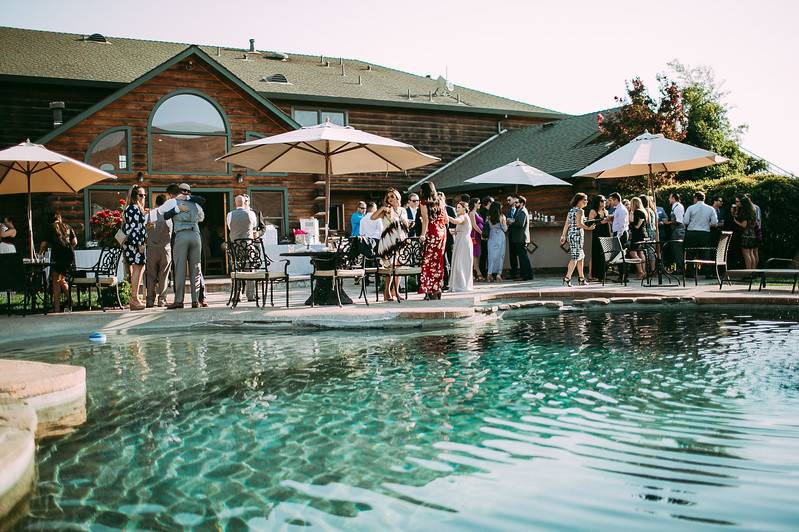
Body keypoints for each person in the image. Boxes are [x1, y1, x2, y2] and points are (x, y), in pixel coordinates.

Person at [160, 184, 209, 307]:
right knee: (196, 269)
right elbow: (201, 217)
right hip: (195, 234)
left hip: (181, 235)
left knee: (180, 268)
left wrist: (177, 210)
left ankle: (179, 301)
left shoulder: (172, 202)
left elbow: (164, 215)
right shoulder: (195, 203)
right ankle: (195, 300)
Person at [373, 188, 409, 301]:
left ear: (397, 196)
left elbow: (407, 224)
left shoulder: (403, 210)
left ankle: (396, 291)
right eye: (388, 197)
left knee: (398, 267)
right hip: (388, 242)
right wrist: (382, 209)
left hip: (400, 242)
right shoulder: (386, 210)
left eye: (392, 196)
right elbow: (372, 217)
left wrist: (406, 225)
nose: (390, 199)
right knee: (390, 268)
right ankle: (386, 292)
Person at [39, 212, 76, 313]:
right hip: (69, 255)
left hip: (59, 255)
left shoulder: (50, 227)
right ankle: (70, 302)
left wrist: (40, 253)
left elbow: (44, 243)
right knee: (61, 280)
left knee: (56, 281)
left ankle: (57, 308)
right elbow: (74, 242)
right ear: (59, 218)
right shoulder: (67, 226)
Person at [418, 183, 447, 300]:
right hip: (442, 232)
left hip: (432, 232)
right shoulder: (440, 201)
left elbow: (425, 220)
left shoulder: (423, 202)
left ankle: (429, 290)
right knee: (439, 262)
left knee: (428, 262)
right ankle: (438, 288)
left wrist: (422, 235)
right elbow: (444, 219)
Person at [227, 194, 258, 301]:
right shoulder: (251, 214)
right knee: (250, 270)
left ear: (235, 203)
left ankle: (237, 294)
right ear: (245, 202)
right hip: (248, 247)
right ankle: (251, 295)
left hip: (235, 248)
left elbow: (230, 227)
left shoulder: (230, 215)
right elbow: (254, 226)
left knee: (237, 270)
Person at [559, 193, 593, 286]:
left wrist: (563, 235)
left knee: (581, 256)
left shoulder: (571, 210)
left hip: (572, 235)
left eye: (586, 199)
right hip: (577, 236)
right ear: (578, 201)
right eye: (584, 200)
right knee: (575, 257)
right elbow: (579, 224)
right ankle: (567, 278)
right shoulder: (580, 211)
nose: (586, 201)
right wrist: (589, 228)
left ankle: (581, 279)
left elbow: (567, 223)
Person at [144, 195, 172, 308]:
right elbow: (171, 231)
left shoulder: (149, 215)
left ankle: (150, 300)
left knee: (150, 275)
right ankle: (162, 300)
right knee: (164, 275)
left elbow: (144, 231)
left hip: (151, 248)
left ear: (155, 203)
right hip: (165, 249)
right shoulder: (168, 216)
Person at [123, 185, 147, 311]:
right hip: (135, 243)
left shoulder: (135, 208)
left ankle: (135, 298)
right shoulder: (132, 208)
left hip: (136, 242)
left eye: (144, 195)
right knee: (137, 268)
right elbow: (133, 229)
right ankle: (134, 299)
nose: (144, 197)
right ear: (135, 196)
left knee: (139, 268)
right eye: (141, 195)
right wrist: (140, 245)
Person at [683, 191, 718, 276]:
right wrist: (707, 224)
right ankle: (708, 272)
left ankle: (690, 272)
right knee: (705, 252)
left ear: (695, 198)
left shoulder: (691, 208)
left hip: (692, 232)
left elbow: (685, 221)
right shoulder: (710, 209)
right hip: (705, 232)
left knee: (691, 253)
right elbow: (714, 222)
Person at [447, 201, 474, 292]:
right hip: (461, 240)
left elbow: (455, 221)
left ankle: (461, 285)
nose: (456, 209)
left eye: (459, 207)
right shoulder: (464, 217)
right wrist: (455, 231)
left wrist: (445, 216)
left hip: (463, 242)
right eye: (456, 207)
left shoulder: (463, 216)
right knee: (459, 263)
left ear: (464, 208)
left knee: (460, 263)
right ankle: (460, 284)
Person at [507, 195, 533, 281]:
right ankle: (528, 275)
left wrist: (511, 222)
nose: (515, 204)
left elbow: (520, 224)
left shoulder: (522, 211)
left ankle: (525, 276)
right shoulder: (520, 210)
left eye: (517, 202)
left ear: (522, 203)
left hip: (521, 238)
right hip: (519, 238)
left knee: (523, 258)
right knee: (523, 257)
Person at [587, 195, 609, 281]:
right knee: (595, 254)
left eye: (604, 200)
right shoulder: (593, 211)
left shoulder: (606, 211)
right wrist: (601, 222)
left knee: (604, 254)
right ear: (597, 202)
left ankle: (602, 275)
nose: (604, 203)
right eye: (601, 201)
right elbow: (590, 223)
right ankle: (591, 275)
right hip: (597, 235)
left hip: (606, 234)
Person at [733, 195, 758, 269]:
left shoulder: (744, 212)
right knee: (751, 253)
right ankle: (753, 272)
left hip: (745, 234)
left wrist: (736, 221)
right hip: (752, 233)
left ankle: (748, 272)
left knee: (746, 254)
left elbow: (744, 225)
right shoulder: (752, 211)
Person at [438, 191, 457, 290]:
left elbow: (455, 224)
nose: (440, 199)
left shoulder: (450, 209)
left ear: (444, 198)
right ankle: (445, 282)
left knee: (450, 259)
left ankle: (451, 281)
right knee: (443, 260)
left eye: (441, 198)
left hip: (449, 237)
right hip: (439, 238)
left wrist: (451, 229)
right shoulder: (435, 209)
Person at [663, 192, 685, 273]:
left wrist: (667, 222)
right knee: (674, 249)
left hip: (678, 231)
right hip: (675, 231)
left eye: (670, 197)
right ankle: (678, 268)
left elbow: (679, 221)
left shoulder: (678, 207)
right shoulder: (674, 206)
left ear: (673, 198)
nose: (669, 199)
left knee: (677, 249)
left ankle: (680, 269)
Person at [486, 201, 507, 282]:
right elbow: (505, 229)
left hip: (492, 236)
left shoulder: (489, 217)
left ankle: (489, 274)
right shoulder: (502, 217)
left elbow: (489, 226)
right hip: (500, 236)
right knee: (500, 255)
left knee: (491, 256)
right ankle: (498, 274)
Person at [628, 197, 648, 279]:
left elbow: (636, 226)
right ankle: (644, 272)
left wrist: (630, 223)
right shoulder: (643, 211)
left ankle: (640, 272)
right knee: (641, 253)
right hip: (643, 234)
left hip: (637, 235)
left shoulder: (636, 212)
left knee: (633, 253)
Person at [468, 197, 484, 281]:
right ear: (474, 204)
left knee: (477, 254)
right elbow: (474, 225)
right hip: (474, 235)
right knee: (475, 255)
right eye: (479, 203)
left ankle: (475, 273)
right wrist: (482, 233)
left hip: (477, 236)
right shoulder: (472, 213)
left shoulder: (476, 213)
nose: (480, 204)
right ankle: (478, 273)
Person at [640, 195, 657, 273]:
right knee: (652, 250)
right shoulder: (651, 210)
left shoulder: (645, 210)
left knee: (649, 250)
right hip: (653, 231)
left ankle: (652, 269)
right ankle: (652, 268)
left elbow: (646, 223)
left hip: (648, 231)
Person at [478, 196, 493, 278]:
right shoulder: (483, 212)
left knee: (486, 254)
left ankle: (486, 272)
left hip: (488, 235)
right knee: (484, 254)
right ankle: (483, 272)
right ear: (489, 202)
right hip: (485, 235)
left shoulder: (485, 211)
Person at [505, 195, 520, 277]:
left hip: (518, 235)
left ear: (515, 199)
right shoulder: (509, 210)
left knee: (520, 254)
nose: (508, 202)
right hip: (511, 234)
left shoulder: (520, 209)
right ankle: (514, 273)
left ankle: (521, 272)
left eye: (509, 200)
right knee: (512, 255)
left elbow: (519, 221)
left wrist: (512, 221)